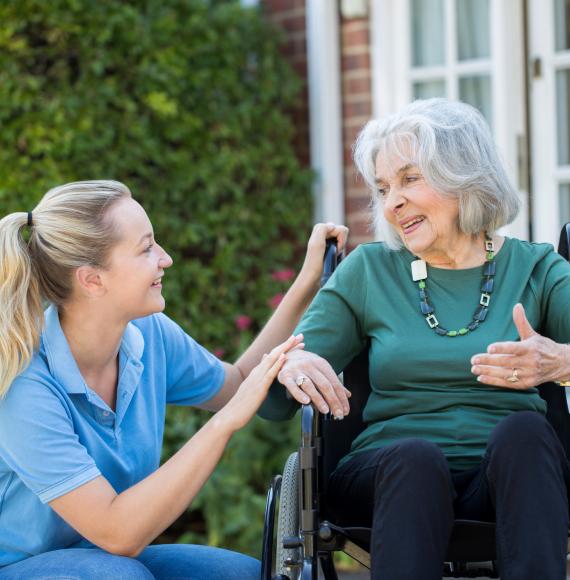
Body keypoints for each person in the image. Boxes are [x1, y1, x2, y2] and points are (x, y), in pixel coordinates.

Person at [259, 98, 570, 580]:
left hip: (507, 481)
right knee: (416, 456)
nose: (391, 203)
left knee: (527, 435)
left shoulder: (536, 268)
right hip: (389, 476)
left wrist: (561, 361)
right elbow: (274, 402)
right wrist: (292, 366)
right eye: (383, 188)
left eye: (409, 179)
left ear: (464, 175)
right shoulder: (370, 270)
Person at [0, 180, 348, 579]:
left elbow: (236, 383)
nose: (165, 258)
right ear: (92, 280)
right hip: (21, 567)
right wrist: (226, 422)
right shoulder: (23, 382)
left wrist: (306, 281)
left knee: (242, 575)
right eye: (146, 247)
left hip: (103, 558)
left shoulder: (148, 334)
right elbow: (119, 534)